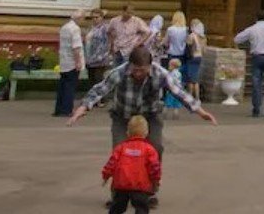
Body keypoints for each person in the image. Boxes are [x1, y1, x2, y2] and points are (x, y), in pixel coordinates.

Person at [68, 46, 217, 209]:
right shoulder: (119, 72)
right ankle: (118, 195)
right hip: (122, 116)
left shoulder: (160, 73)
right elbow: (99, 90)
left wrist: (200, 111)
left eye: (143, 70)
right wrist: (82, 109)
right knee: (119, 151)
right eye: (135, 69)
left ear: (150, 66)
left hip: (150, 115)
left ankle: (149, 192)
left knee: (155, 148)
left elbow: (179, 93)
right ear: (129, 65)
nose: (138, 73)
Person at [102, 114, 161, 214]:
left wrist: (106, 175)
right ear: (146, 133)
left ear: (128, 132)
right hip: (141, 186)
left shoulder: (121, 148)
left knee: (117, 207)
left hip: (121, 185)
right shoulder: (149, 149)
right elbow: (154, 167)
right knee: (141, 207)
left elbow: (111, 163)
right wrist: (156, 180)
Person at [54, 8, 86, 117]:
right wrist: (78, 62)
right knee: (70, 87)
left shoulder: (64, 27)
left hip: (64, 60)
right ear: (79, 18)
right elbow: (76, 47)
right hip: (72, 62)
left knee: (62, 86)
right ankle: (67, 110)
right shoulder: (75, 29)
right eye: (83, 18)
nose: (83, 21)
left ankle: (58, 109)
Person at [86, 10, 113, 90]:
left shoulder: (105, 28)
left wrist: (107, 54)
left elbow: (109, 41)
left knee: (99, 80)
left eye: (97, 17)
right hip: (90, 58)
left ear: (101, 18)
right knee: (91, 80)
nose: (94, 19)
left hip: (101, 58)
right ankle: (93, 99)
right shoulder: (90, 28)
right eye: (93, 17)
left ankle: (101, 100)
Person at [184, 19, 206, 101]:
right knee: (196, 79)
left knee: (190, 79)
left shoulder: (192, 36)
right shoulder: (203, 37)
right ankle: (197, 97)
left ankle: (190, 96)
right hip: (199, 57)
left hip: (192, 57)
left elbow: (188, 47)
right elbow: (204, 50)